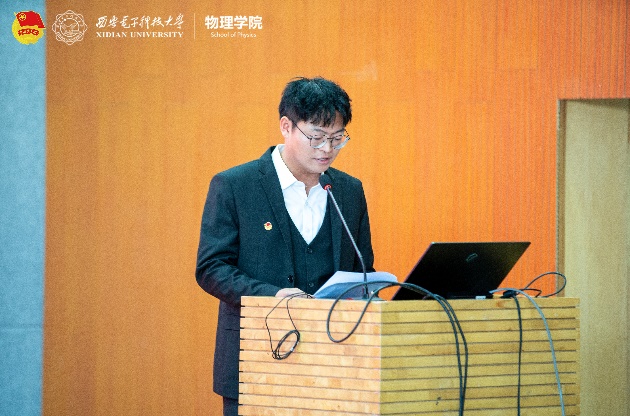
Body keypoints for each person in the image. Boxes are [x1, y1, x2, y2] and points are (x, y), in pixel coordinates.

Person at [195, 76, 375, 416]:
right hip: (255, 361)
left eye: (337, 138)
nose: (327, 149)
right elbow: (211, 268)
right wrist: (273, 296)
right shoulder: (235, 185)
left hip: (334, 366)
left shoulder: (349, 191)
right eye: (317, 137)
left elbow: (362, 270)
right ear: (286, 127)